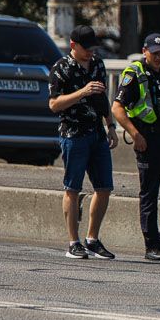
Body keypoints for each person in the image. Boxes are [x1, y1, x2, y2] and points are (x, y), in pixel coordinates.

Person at [112, 33, 160, 264]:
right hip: (149, 140)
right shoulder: (134, 74)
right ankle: (152, 245)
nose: (158, 56)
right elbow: (117, 108)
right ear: (145, 51)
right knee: (150, 195)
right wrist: (135, 134)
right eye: (154, 52)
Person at [48, 25, 118, 259]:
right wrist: (82, 92)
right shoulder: (61, 68)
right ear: (73, 46)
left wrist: (110, 126)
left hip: (96, 132)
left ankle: (92, 239)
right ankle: (72, 242)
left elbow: (102, 97)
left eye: (92, 48)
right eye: (85, 48)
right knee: (72, 188)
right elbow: (54, 104)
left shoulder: (98, 64)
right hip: (73, 133)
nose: (90, 53)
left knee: (104, 187)